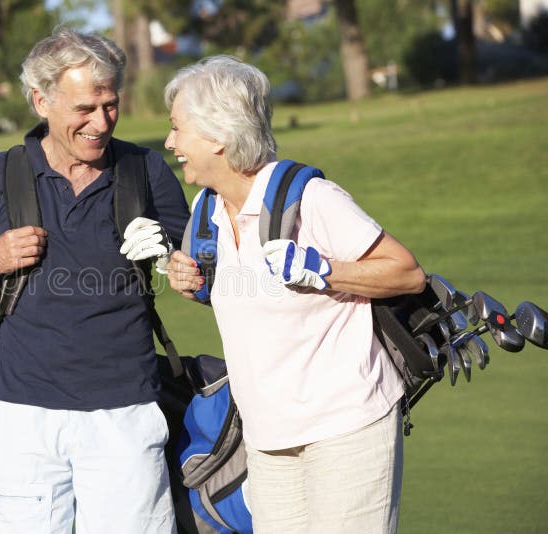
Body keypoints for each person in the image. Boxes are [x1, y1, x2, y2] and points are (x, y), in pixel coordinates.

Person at [164, 56, 426, 534]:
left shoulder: (312, 199)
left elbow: (406, 274)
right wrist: (192, 282)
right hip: (265, 437)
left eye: (177, 129)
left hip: (345, 427)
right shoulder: (207, 212)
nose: (169, 143)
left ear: (218, 136)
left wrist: (321, 270)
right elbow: (247, 294)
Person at [0, 28, 189, 534]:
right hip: (23, 420)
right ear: (41, 101)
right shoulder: (2, 174)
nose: (101, 122)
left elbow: (199, 275)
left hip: (126, 412)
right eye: (84, 108)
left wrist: (172, 253)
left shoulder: (146, 171)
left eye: (110, 104)